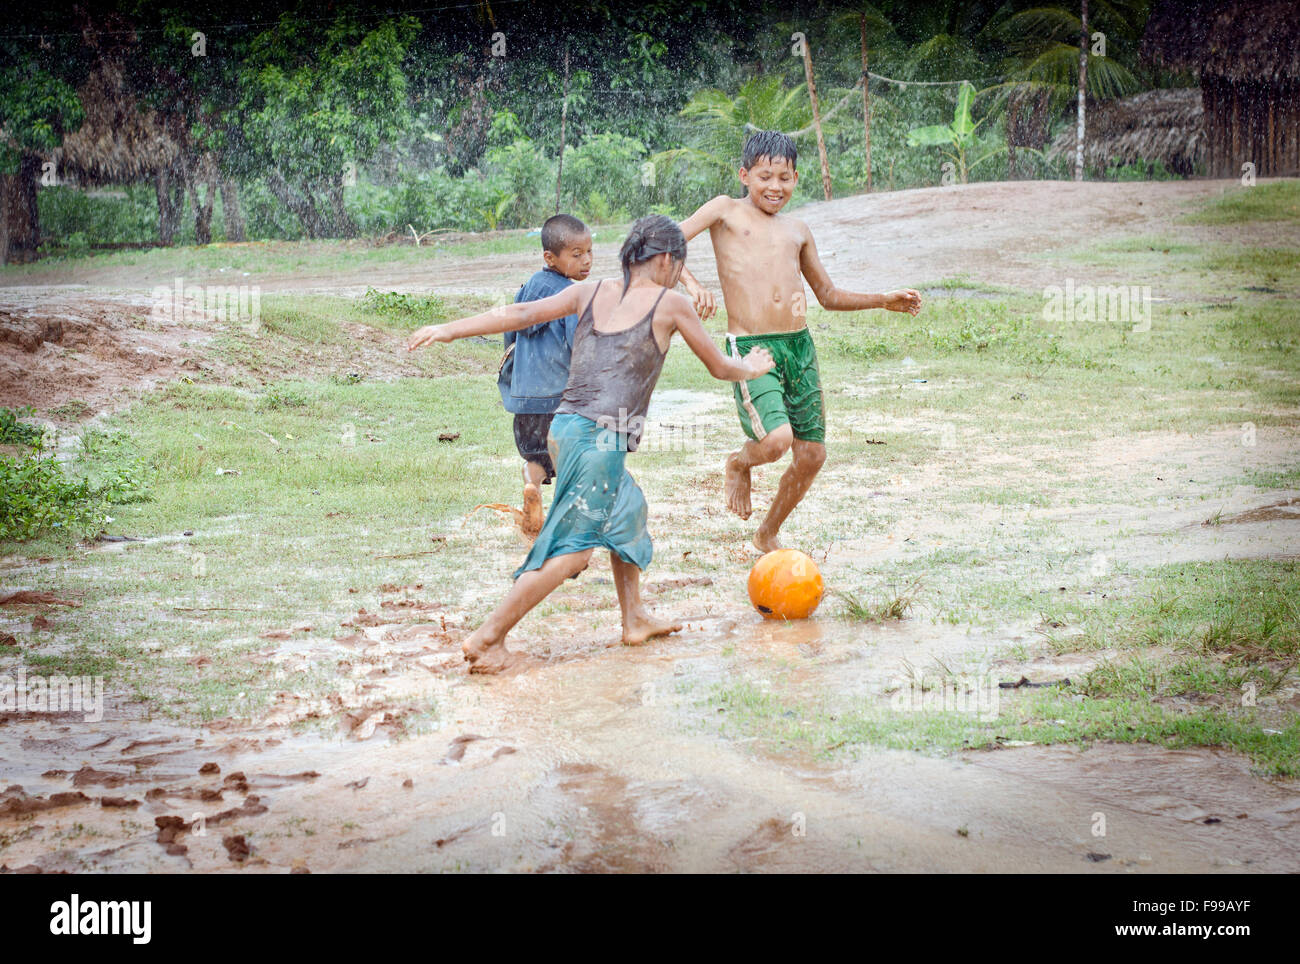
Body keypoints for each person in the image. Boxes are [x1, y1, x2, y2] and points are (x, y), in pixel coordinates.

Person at [407, 215, 775, 674]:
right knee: (573, 550)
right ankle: (487, 639)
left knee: (626, 510)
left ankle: (634, 617)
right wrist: (753, 367)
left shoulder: (590, 290)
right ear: (665, 260)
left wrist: (450, 327)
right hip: (599, 439)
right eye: (678, 265)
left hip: (565, 429)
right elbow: (721, 367)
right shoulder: (671, 304)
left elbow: (519, 315)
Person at [674, 129, 923, 553]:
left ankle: (767, 532)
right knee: (775, 441)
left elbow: (827, 296)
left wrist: (883, 300)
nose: (775, 187)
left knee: (811, 456)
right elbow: (668, 241)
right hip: (754, 348)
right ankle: (739, 461)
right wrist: (692, 285)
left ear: (796, 178)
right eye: (765, 177)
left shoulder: (798, 229)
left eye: (785, 178)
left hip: (799, 347)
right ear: (745, 175)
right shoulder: (725, 211)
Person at [498, 213, 592, 535]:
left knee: (536, 458)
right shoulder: (569, 297)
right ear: (549, 257)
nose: (586, 261)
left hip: (526, 401)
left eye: (589, 252)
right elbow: (578, 344)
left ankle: (531, 487)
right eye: (576, 255)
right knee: (569, 458)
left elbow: (510, 335)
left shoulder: (525, 290)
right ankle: (568, 518)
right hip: (559, 400)